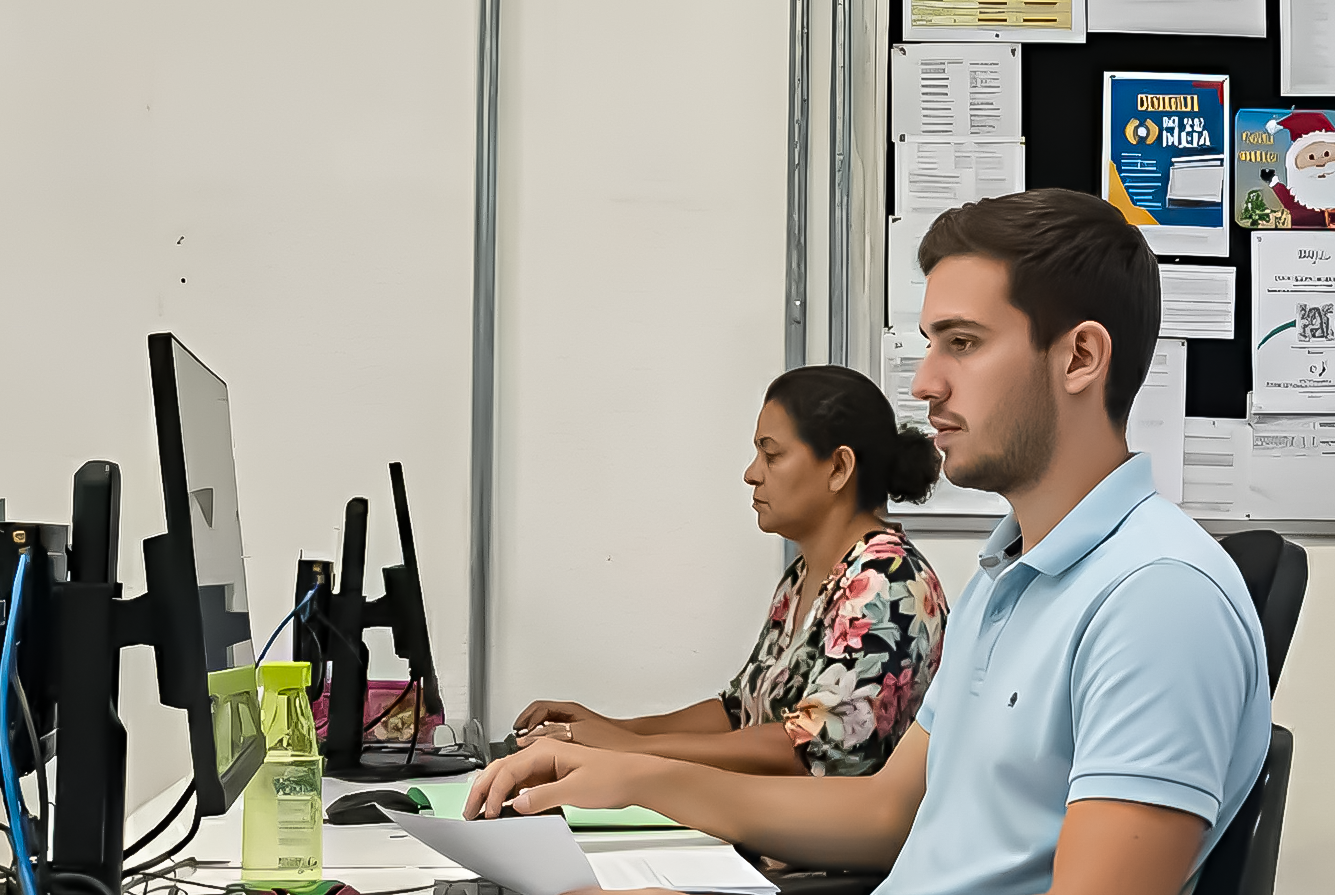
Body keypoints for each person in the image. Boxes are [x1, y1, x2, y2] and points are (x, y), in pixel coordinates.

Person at [468, 189, 1271, 895]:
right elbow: (887, 814)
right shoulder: (1008, 577)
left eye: (962, 342)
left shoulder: (1157, 598)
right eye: (930, 343)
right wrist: (631, 778)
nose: (924, 382)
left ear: (1080, 357)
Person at [511, 365, 949, 778]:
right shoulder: (802, 578)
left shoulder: (887, 583)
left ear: (838, 468)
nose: (751, 474)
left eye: (771, 455)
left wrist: (624, 748)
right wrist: (610, 729)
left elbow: (807, 750)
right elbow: (739, 712)